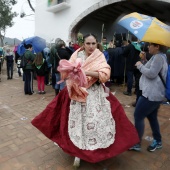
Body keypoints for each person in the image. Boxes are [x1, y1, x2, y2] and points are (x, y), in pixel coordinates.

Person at [31, 33, 139, 168]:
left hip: (95, 94)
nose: (91, 46)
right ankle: (78, 153)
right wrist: (73, 73)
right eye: (88, 43)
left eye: (93, 43)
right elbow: (67, 72)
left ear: (97, 43)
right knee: (78, 123)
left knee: (96, 122)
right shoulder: (76, 55)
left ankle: (96, 152)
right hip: (77, 93)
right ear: (84, 44)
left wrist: (85, 72)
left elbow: (105, 74)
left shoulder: (99, 56)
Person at [129, 43, 168, 152]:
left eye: (151, 45)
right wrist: (145, 60)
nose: (148, 47)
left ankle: (136, 143)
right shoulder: (158, 57)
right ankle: (158, 140)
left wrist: (140, 65)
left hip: (151, 94)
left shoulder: (158, 58)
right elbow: (151, 69)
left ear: (157, 47)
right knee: (152, 117)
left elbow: (151, 73)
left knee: (138, 115)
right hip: (154, 94)